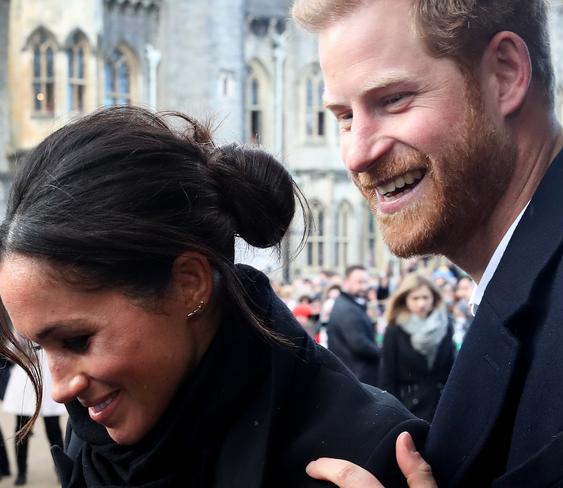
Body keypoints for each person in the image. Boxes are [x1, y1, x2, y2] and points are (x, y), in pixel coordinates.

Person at [292, 0, 563, 486]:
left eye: (393, 100)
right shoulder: (532, 276)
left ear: (504, 75)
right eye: (344, 116)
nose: (357, 154)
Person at [0, 106, 429, 487]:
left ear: (189, 284)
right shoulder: (94, 434)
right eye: (39, 346)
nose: (59, 389)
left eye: (77, 340)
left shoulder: (369, 457)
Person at [380, 274, 455, 421]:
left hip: (441, 406)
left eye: (425, 297)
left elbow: (452, 368)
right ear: (405, 299)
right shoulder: (395, 328)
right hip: (408, 406)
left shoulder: (445, 325)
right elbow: (387, 376)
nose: (421, 303)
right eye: (415, 298)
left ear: (433, 298)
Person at [3, 347, 65, 485]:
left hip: (48, 374)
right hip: (25, 376)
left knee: (54, 430)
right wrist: (19, 352)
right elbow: (10, 341)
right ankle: (21, 471)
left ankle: (62, 470)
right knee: (21, 431)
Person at [327, 265, 381, 385]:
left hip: (354, 374)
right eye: (359, 282)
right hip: (357, 376)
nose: (364, 286)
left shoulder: (348, 304)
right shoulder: (347, 308)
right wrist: (383, 352)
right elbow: (359, 344)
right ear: (346, 282)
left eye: (366, 282)